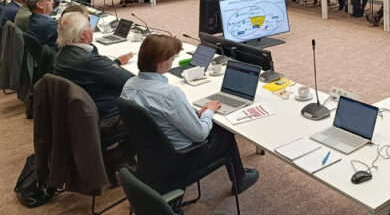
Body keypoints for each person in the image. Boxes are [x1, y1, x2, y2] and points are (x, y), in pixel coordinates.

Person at [120, 34, 259, 194]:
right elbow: (200, 135)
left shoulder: (129, 85)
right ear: (161, 62)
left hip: (152, 155)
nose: (173, 60)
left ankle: (240, 177)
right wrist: (208, 112)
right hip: (182, 158)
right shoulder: (169, 94)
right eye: (172, 58)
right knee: (225, 131)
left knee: (207, 121)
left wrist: (193, 115)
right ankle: (240, 180)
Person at [54, 11, 134, 131]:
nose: (92, 29)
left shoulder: (62, 53)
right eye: (89, 26)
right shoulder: (87, 61)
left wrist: (115, 63)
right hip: (107, 115)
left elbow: (98, 70)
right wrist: (113, 66)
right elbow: (128, 80)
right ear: (82, 35)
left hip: (82, 112)